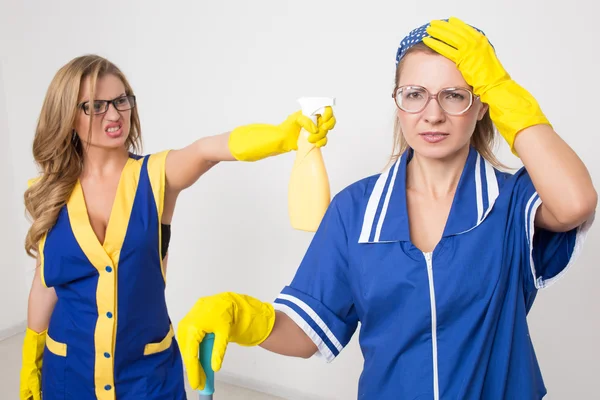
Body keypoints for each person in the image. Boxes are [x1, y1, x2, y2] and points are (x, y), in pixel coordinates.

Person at [176, 17, 597, 400]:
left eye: (454, 95)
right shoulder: (355, 211)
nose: (432, 114)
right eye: (414, 94)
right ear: (397, 103)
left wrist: (504, 88)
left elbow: (576, 203)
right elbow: (307, 332)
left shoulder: (513, 203)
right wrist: (242, 315)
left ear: (483, 104)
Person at [18, 54, 336, 400]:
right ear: (67, 114)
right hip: (69, 375)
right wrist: (31, 361)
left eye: (121, 101)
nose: (114, 115)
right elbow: (45, 284)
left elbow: (205, 151)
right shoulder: (49, 191)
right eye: (95, 106)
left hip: (146, 377)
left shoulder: (157, 177)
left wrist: (282, 136)